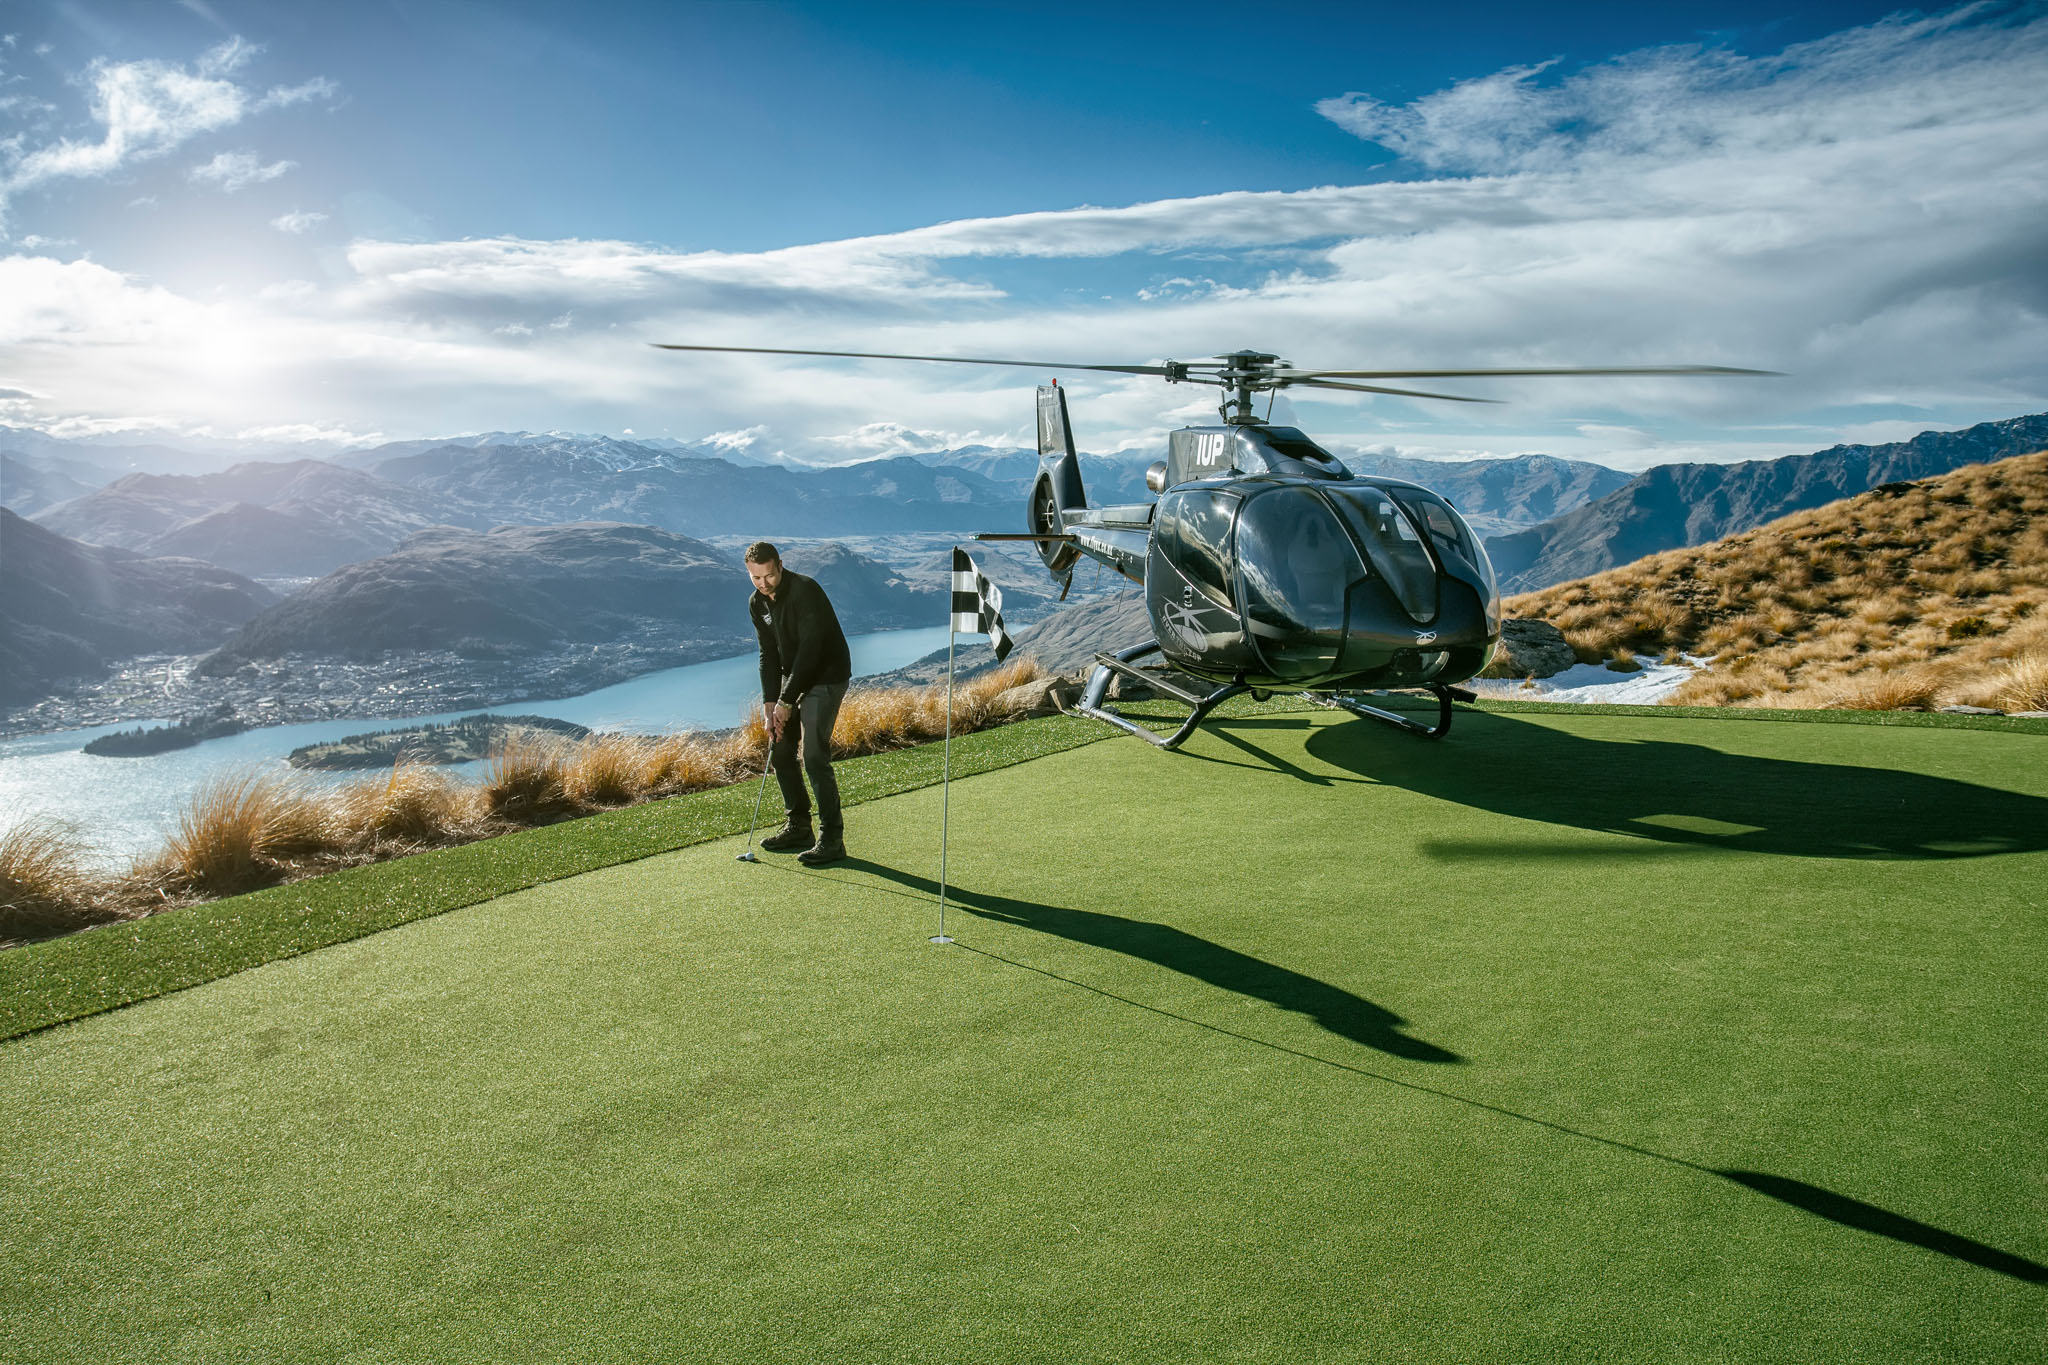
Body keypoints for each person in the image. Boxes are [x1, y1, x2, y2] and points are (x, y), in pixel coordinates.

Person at [745, 541, 852, 865]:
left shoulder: (805, 591)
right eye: (755, 578)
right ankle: (798, 827)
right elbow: (769, 654)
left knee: (814, 755)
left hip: (826, 675)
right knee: (780, 748)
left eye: (768, 576)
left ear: (780, 565)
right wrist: (769, 702)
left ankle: (832, 839)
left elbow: (810, 651)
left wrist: (786, 701)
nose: (763, 584)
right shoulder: (756, 603)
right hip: (794, 679)